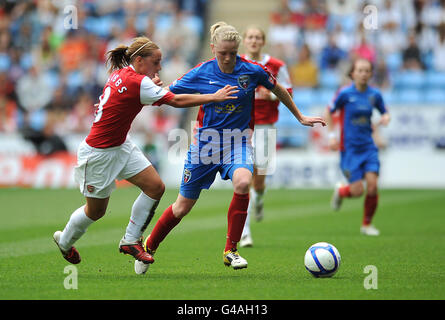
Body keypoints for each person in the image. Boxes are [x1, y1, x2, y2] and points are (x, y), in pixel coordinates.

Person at [134, 22, 326, 275]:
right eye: (222, 53)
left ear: (238, 50)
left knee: (244, 182)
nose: (227, 58)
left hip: (238, 142)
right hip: (205, 145)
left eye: (232, 54)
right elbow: (169, 93)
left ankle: (230, 250)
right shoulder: (202, 72)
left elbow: (277, 87)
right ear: (213, 48)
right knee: (182, 207)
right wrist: (153, 90)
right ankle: (150, 244)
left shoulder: (252, 71)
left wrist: (300, 116)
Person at [53, 36, 239, 266]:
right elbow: (177, 100)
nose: (159, 67)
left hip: (120, 145)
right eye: (156, 61)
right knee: (96, 211)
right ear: (140, 60)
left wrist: (151, 85)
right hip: (98, 153)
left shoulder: (123, 74)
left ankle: (130, 240)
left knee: (155, 187)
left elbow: (137, 95)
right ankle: (65, 242)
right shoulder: (138, 83)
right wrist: (214, 96)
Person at [238, 25, 293, 248]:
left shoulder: (276, 66)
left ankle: (259, 199)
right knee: (244, 177)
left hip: (265, 126)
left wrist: (268, 94)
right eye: (250, 36)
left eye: (257, 37)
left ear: (263, 41)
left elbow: (288, 91)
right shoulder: (236, 62)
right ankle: (244, 231)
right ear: (244, 40)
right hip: (241, 126)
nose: (253, 40)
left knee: (258, 181)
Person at [325, 58, 390, 236]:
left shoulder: (374, 95)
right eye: (359, 70)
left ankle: (366, 225)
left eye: (366, 71)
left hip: (368, 148)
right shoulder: (345, 93)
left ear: (370, 74)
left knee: (372, 186)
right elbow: (329, 112)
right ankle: (341, 191)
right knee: (357, 191)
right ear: (353, 74)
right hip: (350, 149)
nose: (363, 74)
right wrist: (331, 136)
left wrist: (385, 118)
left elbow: (385, 112)